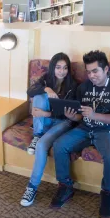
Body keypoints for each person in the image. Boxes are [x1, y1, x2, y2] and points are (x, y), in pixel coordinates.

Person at [49, 50, 110, 218]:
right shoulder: (83, 87)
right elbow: (80, 115)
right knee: (59, 145)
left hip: (107, 130)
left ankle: (107, 193)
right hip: (85, 128)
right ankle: (65, 186)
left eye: (95, 71)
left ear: (106, 69)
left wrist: (94, 115)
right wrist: (74, 116)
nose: (91, 75)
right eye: (88, 71)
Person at [20, 52, 77, 207]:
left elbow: (67, 112)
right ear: (53, 68)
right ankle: (37, 134)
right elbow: (30, 91)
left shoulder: (72, 85)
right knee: (38, 96)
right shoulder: (46, 78)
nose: (61, 71)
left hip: (62, 123)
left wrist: (45, 113)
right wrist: (46, 89)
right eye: (58, 67)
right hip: (46, 122)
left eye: (65, 68)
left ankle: (32, 187)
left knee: (40, 146)